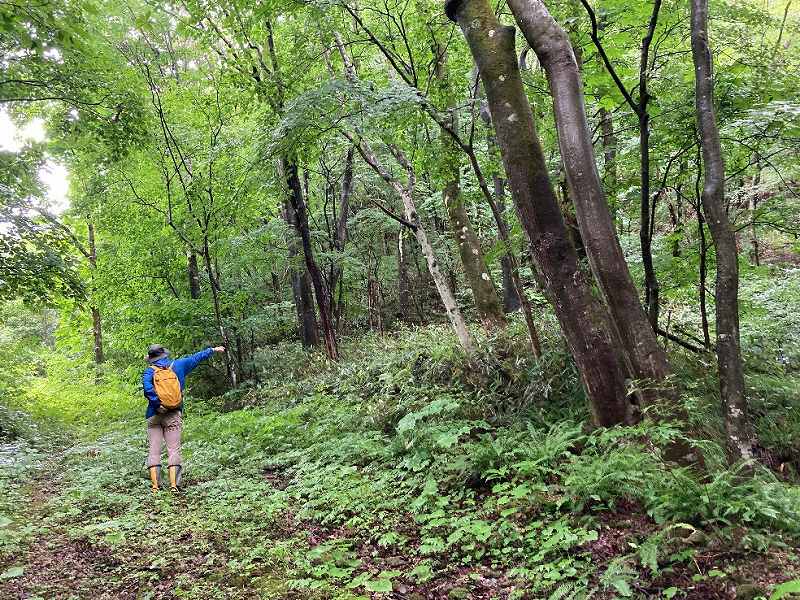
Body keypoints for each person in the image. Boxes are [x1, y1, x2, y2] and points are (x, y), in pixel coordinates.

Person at [143, 343, 225, 493]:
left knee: (154, 450)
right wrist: (212, 350)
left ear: (151, 358)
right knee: (174, 449)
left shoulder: (149, 371)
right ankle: (174, 485)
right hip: (173, 413)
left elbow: (147, 389)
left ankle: (156, 487)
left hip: (154, 414)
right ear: (165, 355)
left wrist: (157, 404)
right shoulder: (179, 365)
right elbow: (196, 358)